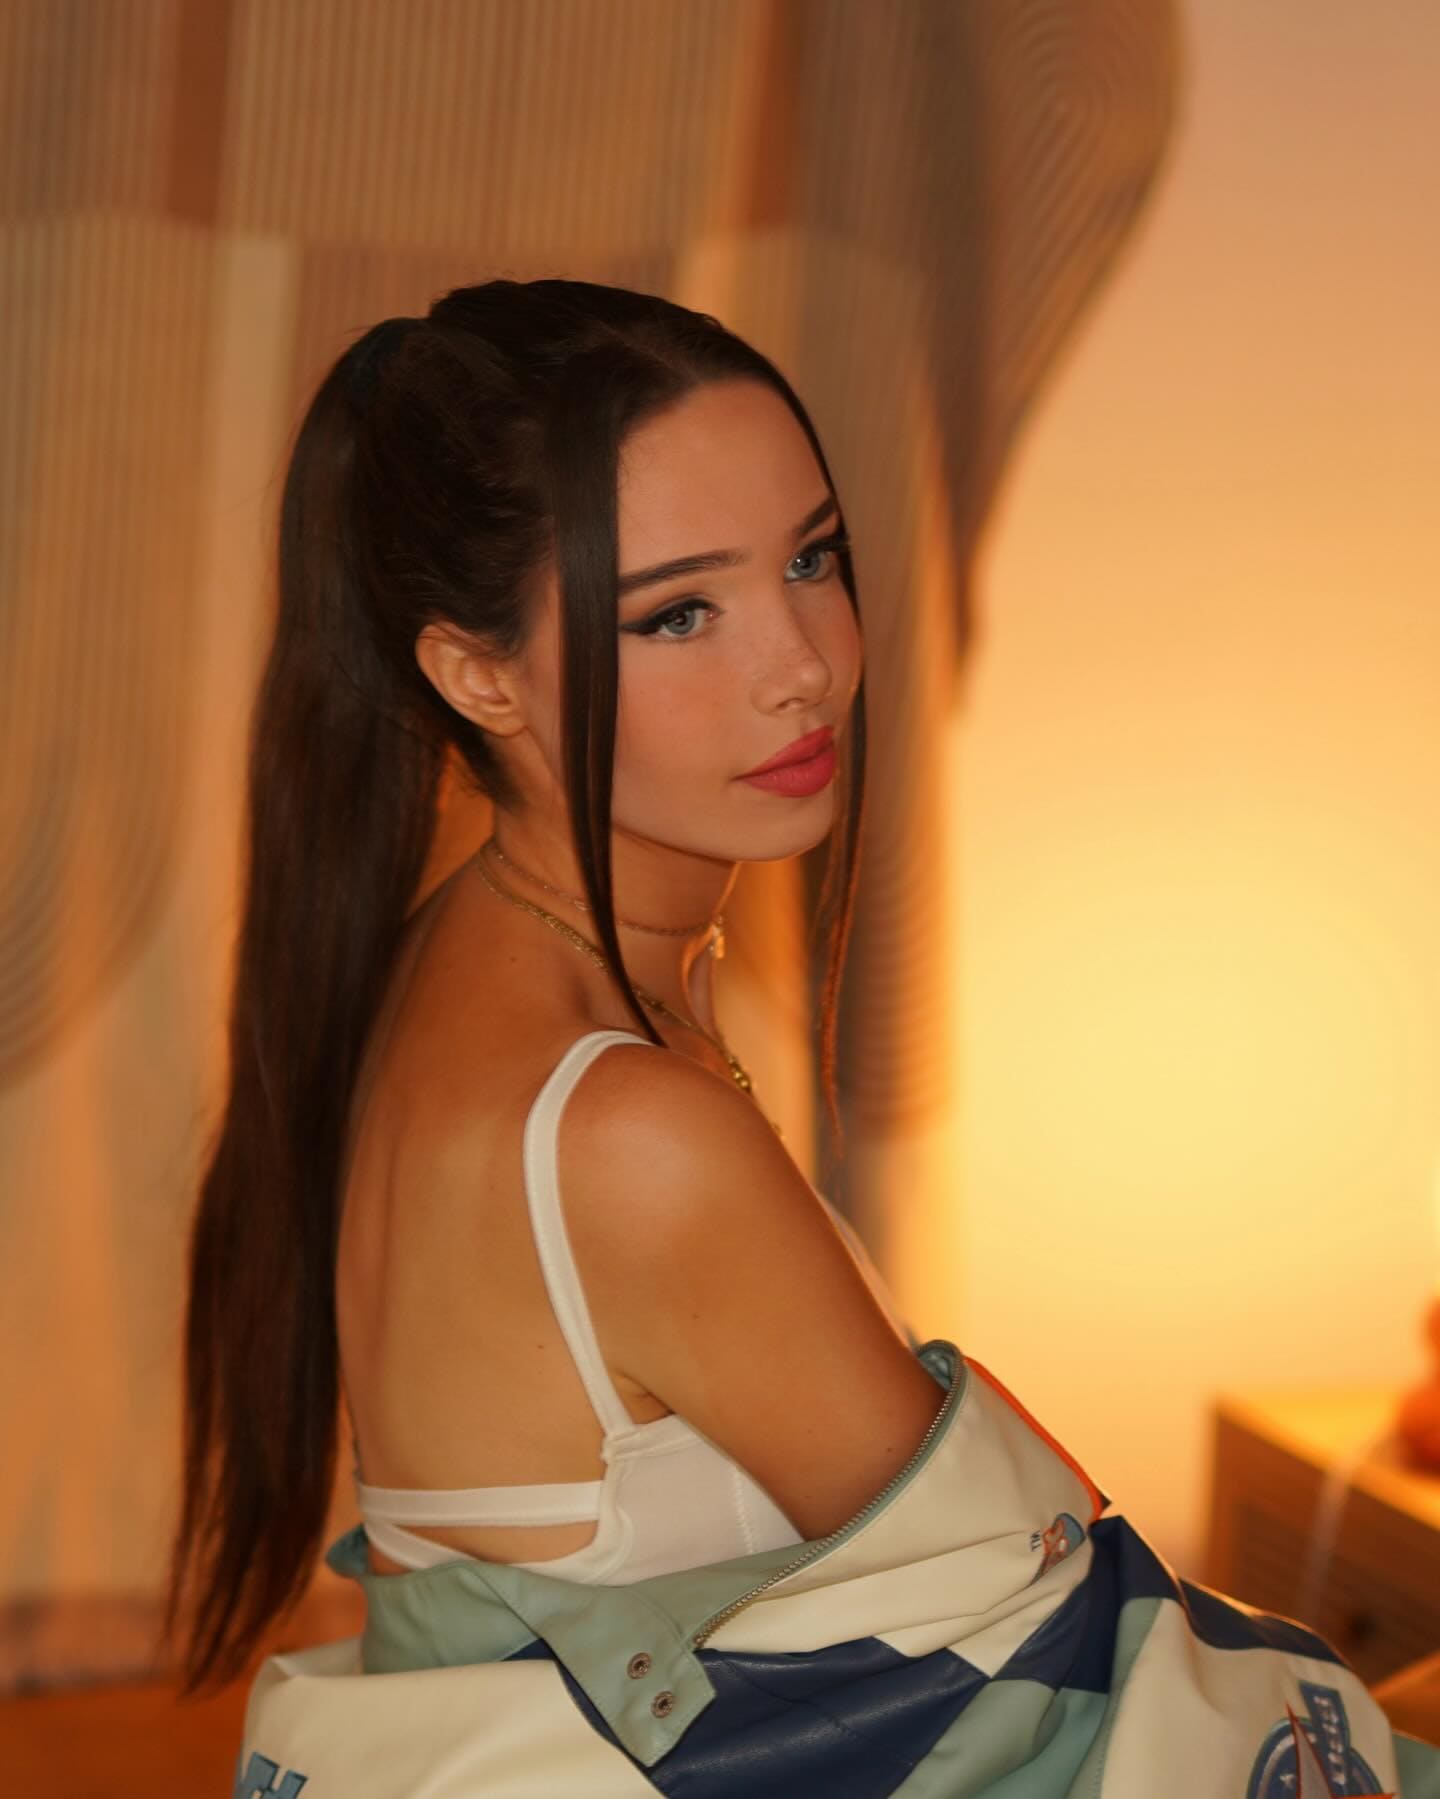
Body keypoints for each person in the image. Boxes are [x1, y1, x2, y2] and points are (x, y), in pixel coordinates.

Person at [170, 280, 1438, 1796]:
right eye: (680, 612)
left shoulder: (454, 962)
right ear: (475, 673)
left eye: (812, 558)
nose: (805, 666)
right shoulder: (626, 1130)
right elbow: (1046, 1649)